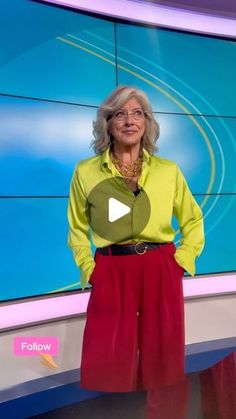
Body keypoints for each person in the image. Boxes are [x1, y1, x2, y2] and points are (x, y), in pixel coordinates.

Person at [67, 86, 205, 418]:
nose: (130, 120)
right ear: (108, 122)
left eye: (138, 113)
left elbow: (192, 219)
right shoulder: (85, 172)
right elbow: (76, 229)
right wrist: (90, 269)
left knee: (164, 356)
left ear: (147, 122)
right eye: (120, 113)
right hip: (112, 268)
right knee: (108, 357)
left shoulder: (167, 170)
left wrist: (181, 262)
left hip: (160, 265)